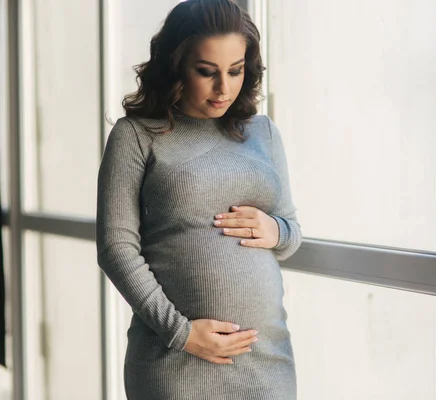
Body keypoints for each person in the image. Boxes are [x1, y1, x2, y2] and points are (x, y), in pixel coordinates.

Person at [95, 0, 302, 398]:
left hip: (266, 361)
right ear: (175, 66)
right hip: (175, 361)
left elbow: (292, 234)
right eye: (207, 72)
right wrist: (183, 333)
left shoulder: (263, 133)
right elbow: (116, 249)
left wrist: (274, 229)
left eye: (235, 71)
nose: (224, 88)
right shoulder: (136, 135)